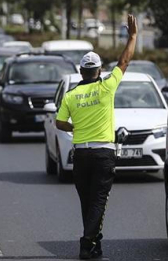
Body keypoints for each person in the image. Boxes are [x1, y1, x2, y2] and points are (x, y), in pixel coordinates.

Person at [55, 14, 137, 260]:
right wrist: (132, 36)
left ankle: (94, 243)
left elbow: (59, 123)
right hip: (103, 154)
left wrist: (75, 128)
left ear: (81, 71)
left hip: (80, 153)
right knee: (99, 201)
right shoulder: (106, 87)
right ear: (99, 70)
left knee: (87, 201)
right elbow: (124, 61)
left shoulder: (70, 95)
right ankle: (86, 242)